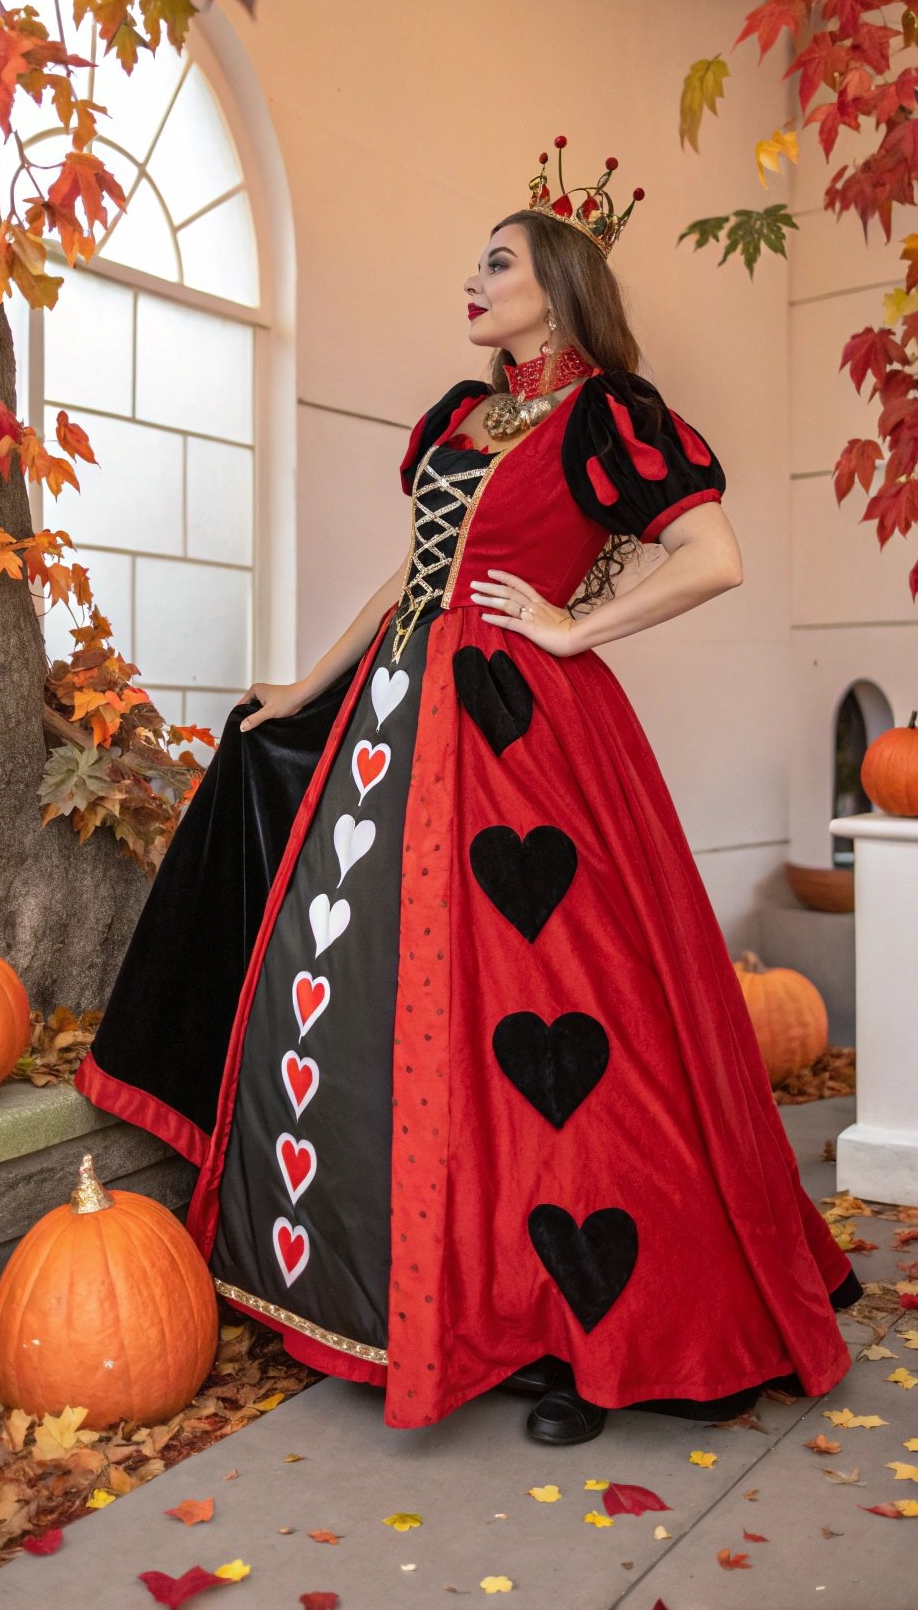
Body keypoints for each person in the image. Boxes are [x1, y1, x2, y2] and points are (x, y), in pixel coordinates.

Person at [75, 139, 861, 1447]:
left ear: (557, 285)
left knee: (557, 1023)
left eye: (496, 262)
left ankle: (581, 1327)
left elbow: (711, 554)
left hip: (520, 742)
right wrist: (308, 686)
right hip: (392, 726)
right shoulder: (463, 418)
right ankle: (388, 1291)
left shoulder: (612, 418)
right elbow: (412, 578)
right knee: (383, 996)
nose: (473, 282)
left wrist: (566, 628)